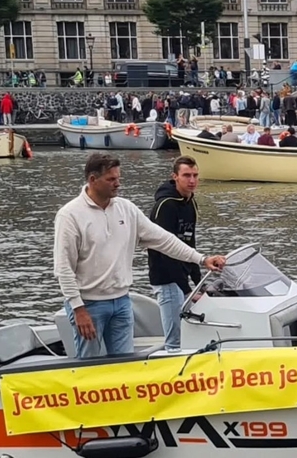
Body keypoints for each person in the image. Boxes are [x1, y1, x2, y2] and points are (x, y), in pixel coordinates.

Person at [53, 153, 227, 359]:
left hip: (121, 302)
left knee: (126, 365)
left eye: (118, 178)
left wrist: (201, 259)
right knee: (89, 365)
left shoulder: (127, 209)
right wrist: (77, 308)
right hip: (88, 305)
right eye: (111, 179)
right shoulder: (70, 215)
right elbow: (63, 268)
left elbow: (164, 240)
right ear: (92, 180)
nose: (118, 184)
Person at [148, 156, 203, 352]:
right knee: (175, 340)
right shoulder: (166, 206)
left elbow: (190, 244)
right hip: (166, 278)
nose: (192, 180)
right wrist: (186, 289)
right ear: (175, 177)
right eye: (186, 175)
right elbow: (164, 251)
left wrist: (198, 283)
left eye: (195, 175)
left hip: (183, 276)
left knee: (190, 332)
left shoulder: (191, 203)